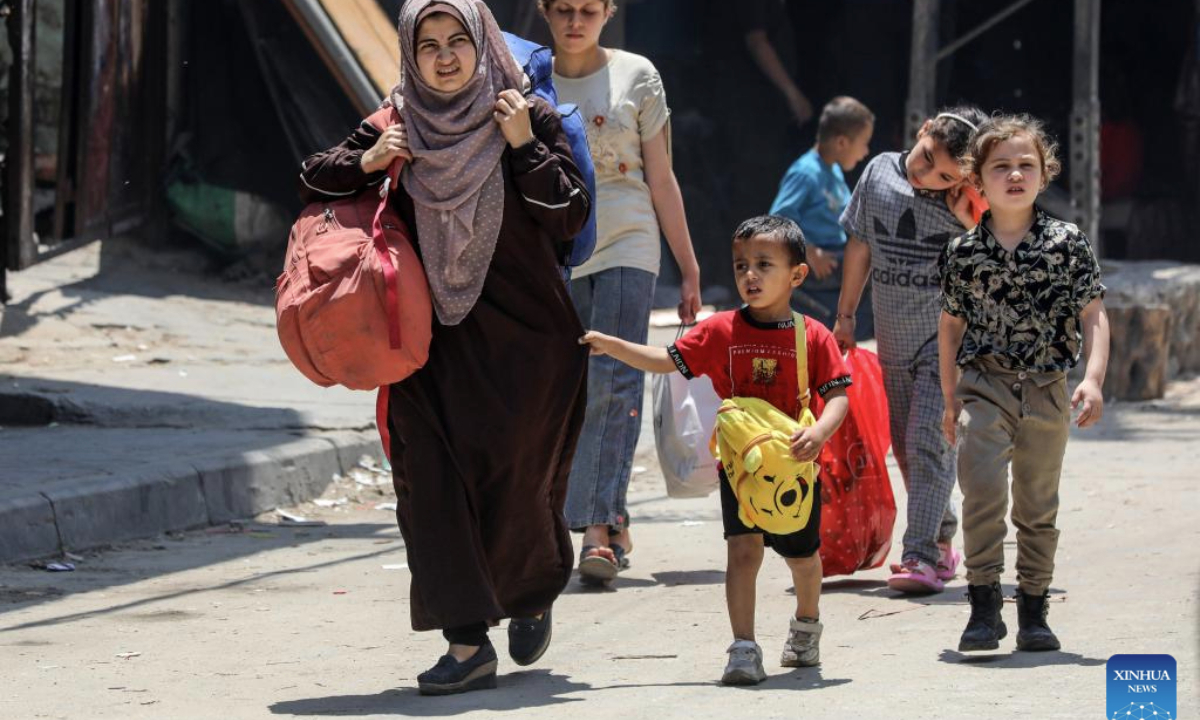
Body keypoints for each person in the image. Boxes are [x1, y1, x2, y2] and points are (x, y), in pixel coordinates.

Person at [298, 0, 591, 695]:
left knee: (513, 491)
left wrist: (522, 144)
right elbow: (312, 178)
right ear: (409, 52)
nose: (445, 56)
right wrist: (366, 162)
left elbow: (571, 214)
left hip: (527, 349)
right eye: (427, 44)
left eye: (458, 39)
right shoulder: (394, 123)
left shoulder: (527, 114)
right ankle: (467, 643)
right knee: (426, 487)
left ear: (482, 42)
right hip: (428, 347)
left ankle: (529, 590)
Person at [580, 215, 850, 685]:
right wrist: (613, 345)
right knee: (742, 553)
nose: (750, 275)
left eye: (764, 264)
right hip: (741, 471)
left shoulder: (813, 336)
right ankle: (743, 648)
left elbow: (839, 397)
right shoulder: (721, 331)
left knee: (802, 558)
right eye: (741, 264)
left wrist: (821, 432)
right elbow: (665, 361)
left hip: (794, 471)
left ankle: (806, 626)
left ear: (797, 275)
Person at [539, 0, 703, 585]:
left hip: (630, 246)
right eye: (563, 9)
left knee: (614, 380)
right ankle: (601, 509)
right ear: (545, 10)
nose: (575, 21)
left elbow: (661, 177)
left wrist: (688, 267)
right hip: (555, 251)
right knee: (563, 390)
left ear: (609, 12)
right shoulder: (527, 75)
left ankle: (599, 528)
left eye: (588, 9)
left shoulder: (638, 75)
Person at [938, 115, 1109, 652]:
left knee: (1037, 502)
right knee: (982, 494)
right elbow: (949, 328)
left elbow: (1095, 315)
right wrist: (949, 400)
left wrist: (1095, 379)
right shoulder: (963, 253)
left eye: (1026, 166)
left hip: (1047, 387)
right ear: (978, 179)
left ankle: (1034, 610)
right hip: (983, 386)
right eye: (1001, 166)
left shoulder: (1066, 242)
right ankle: (984, 608)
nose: (1015, 175)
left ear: (1045, 173)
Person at [834, 106, 987, 594]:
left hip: (946, 346)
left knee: (929, 440)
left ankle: (918, 555)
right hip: (891, 346)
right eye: (927, 160)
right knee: (909, 449)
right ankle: (942, 542)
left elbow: (994, 261)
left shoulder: (965, 203)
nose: (928, 177)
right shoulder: (878, 172)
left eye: (945, 175)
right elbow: (859, 246)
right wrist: (845, 317)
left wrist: (970, 224)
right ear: (921, 133)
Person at [769, 96, 874, 335]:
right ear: (841, 142)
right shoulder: (806, 172)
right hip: (816, 269)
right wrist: (809, 250)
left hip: (836, 258)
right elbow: (776, 220)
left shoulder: (833, 170)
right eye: (864, 143)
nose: (866, 151)